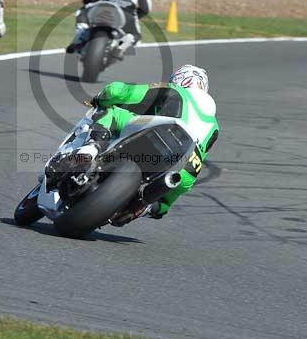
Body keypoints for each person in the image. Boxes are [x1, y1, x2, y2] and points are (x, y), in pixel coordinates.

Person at [74, 65, 218, 225]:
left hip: (158, 133)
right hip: (185, 165)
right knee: (166, 200)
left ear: (178, 79)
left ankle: (90, 149)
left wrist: (100, 99)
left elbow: (119, 91)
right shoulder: (214, 126)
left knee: (112, 112)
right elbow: (201, 155)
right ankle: (145, 207)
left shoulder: (173, 90)